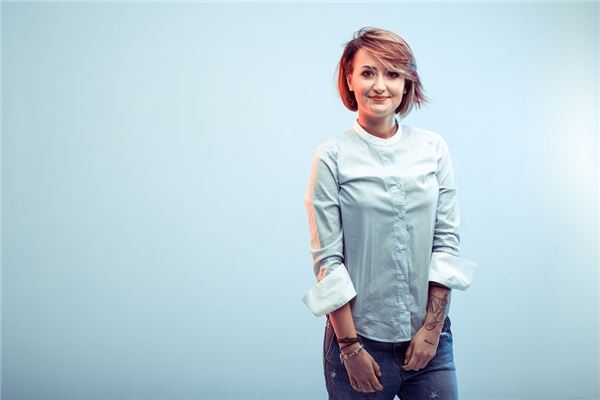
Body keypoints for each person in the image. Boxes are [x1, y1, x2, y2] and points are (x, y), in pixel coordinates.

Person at [301, 27, 477, 400]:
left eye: (393, 74)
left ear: (406, 83)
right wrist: (350, 348)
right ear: (349, 79)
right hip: (358, 343)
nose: (380, 86)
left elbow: (446, 243)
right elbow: (328, 262)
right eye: (368, 73)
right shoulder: (331, 157)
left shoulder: (433, 148)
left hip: (428, 341)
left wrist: (431, 331)